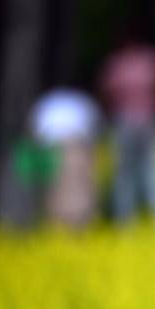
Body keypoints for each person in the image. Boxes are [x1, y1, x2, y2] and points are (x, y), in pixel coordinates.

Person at [100, 41, 155, 224]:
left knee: (132, 173)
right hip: (148, 121)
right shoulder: (151, 60)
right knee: (149, 171)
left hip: (128, 122)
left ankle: (126, 220)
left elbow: (107, 91)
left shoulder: (117, 63)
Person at [31, 88, 100, 228]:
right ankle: (79, 222)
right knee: (80, 186)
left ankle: (58, 222)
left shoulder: (48, 102)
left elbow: (36, 128)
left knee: (53, 187)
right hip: (76, 146)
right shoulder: (81, 101)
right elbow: (94, 126)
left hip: (50, 146)